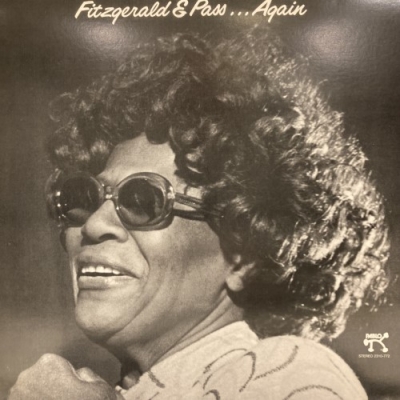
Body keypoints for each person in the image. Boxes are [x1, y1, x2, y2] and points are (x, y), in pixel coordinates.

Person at [8, 29, 389, 400]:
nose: (93, 224)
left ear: (244, 253)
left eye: (142, 201)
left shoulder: (289, 370)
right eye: (86, 198)